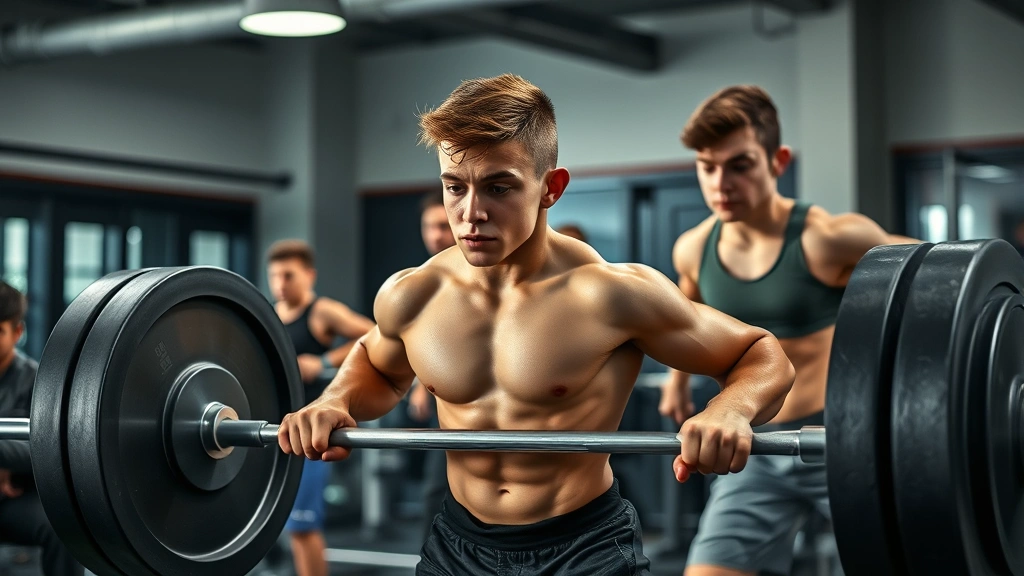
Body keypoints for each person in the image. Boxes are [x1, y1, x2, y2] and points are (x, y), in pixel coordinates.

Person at [277, 74, 796, 576]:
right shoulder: (415, 292)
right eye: (454, 187)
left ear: (552, 188)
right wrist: (335, 400)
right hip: (457, 544)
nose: (471, 213)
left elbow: (762, 354)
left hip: (583, 547)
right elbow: (378, 364)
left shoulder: (611, 294)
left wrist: (730, 409)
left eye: (498, 187)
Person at [660, 85, 918, 576]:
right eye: (707, 167)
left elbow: (936, 273)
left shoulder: (826, 238)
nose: (720, 183)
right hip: (755, 445)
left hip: (844, 440)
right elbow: (685, 303)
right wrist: (675, 381)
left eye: (740, 165)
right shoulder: (693, 248)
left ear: (777, 160)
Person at [266, 240, 375, 576]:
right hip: (272, 432)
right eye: (275, 276)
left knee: (302, 527)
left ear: (309, 275)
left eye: (289, 275)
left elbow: (374, 332)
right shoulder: (270, 312)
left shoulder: (322, 311)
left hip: (309, 436)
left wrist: (324, 360)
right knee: (269, 527)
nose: (281, 284)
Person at [0, 281, 83, 576]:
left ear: (17, 332)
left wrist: (8, 463)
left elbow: (46, 446)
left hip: (14, 498)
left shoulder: (39, 381)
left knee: (63, 527)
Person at [405, 190, 458, 539]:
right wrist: (419, 384)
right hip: (446, 410)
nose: (436, 235)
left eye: (443, 225)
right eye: (429, 226)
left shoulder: (481, 275)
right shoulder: (419, 283)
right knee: (435, 492)